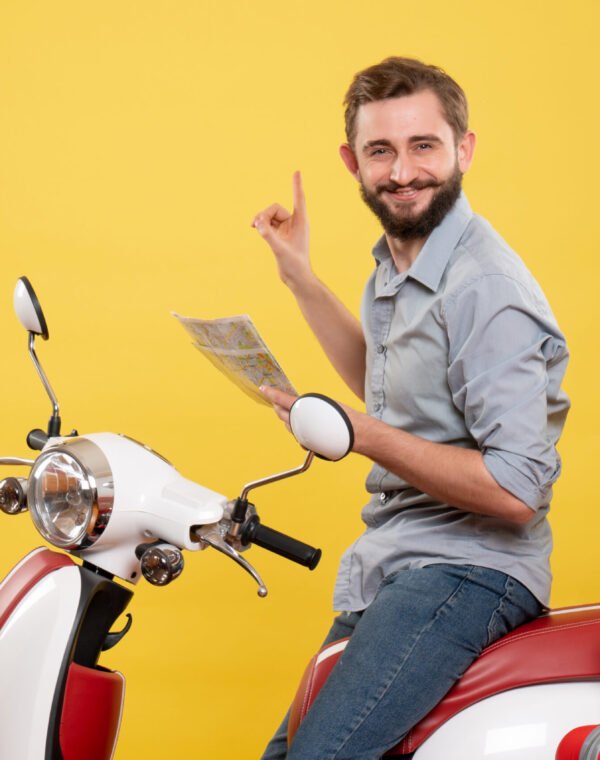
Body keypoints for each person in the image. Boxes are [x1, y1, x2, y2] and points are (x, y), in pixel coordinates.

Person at [252, 56, 570, 760]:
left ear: (464, 147)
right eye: (381, 151)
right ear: (352, 161)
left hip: (468, 569)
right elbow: (387, 384)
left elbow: (517, 491)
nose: (403, 172)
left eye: (423, 145)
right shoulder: (400, 263)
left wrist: (362, 437)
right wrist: (298, 276)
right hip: (397, 567)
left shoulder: (484, 287)